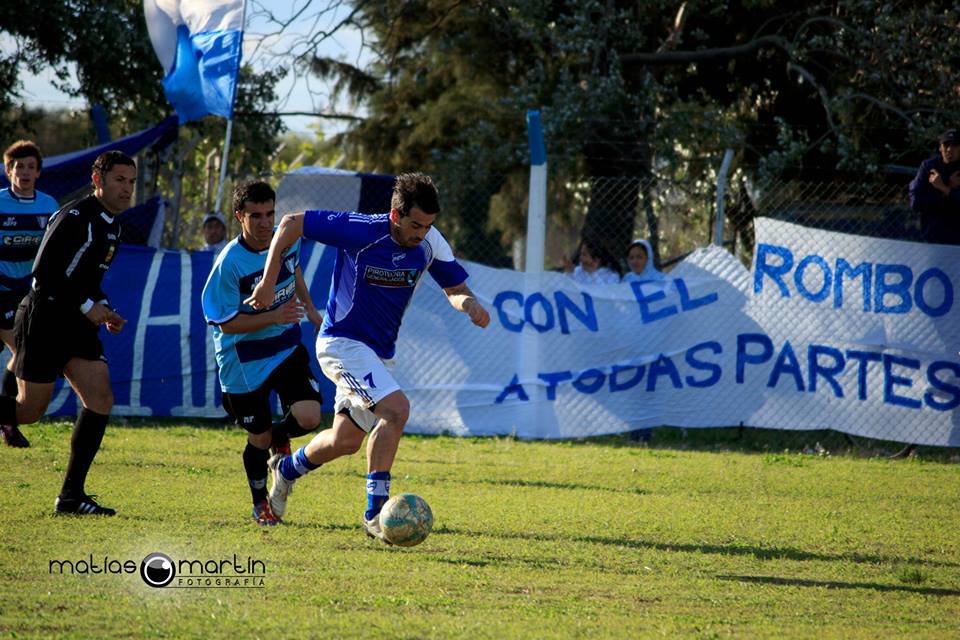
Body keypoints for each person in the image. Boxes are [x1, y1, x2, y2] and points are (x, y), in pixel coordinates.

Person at [245, 172, 490, 543]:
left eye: (428, 226)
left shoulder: (430, 243)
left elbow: (455, 288)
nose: (421, 233)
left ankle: (288, 469)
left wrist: (468, 303)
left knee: (345, 440)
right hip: (341, 343)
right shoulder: (360, 230)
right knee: (396, 410)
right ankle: (375, 514)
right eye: (415, 225)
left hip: (378, 356)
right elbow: (291, 223)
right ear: (395, 215)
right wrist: (267, 279)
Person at [0, 150, 133, 515]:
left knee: (100, 397)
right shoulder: (75, 216)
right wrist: (89, 307)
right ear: (97, 180)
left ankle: (71, 496)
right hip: (45, 318)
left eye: (132, 182)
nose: (127, 188)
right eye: (120, 180)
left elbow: (86, 278)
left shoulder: (112, 224)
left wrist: (104, 308)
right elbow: (44, 273)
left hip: (75, 322)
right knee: (27, 412)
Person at [201, 180, 323, 526]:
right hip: (243, 361)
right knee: (259, 436)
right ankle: (260, 504)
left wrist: (310, 308)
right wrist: (273, 315)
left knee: (311, 417)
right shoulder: (229, 264)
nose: (266, 223)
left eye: (270, 213)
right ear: (240, 217)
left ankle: (279, 440)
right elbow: (225, 324)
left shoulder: (286, 237)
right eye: (256, 216)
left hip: (284, 344)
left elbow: (294, 268)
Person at [0, 141, 59, 448]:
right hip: (1, 290)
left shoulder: (48, 206)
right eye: (18, 166)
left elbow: (51, 252)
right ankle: (9, 420)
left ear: (38, 172)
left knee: (17, 353)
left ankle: (7, 419)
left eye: (30, 167)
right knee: (19, 350)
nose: (24, 172)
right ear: (8, 170)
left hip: (27, 293)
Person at [908, 129, 960, 245]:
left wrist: (943, 188)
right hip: (933, 237)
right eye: (946, 144)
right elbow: (916, 203)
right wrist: (946, 190)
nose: (949, 149)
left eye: (955, 145)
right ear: (940, 147)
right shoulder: (929, 167)